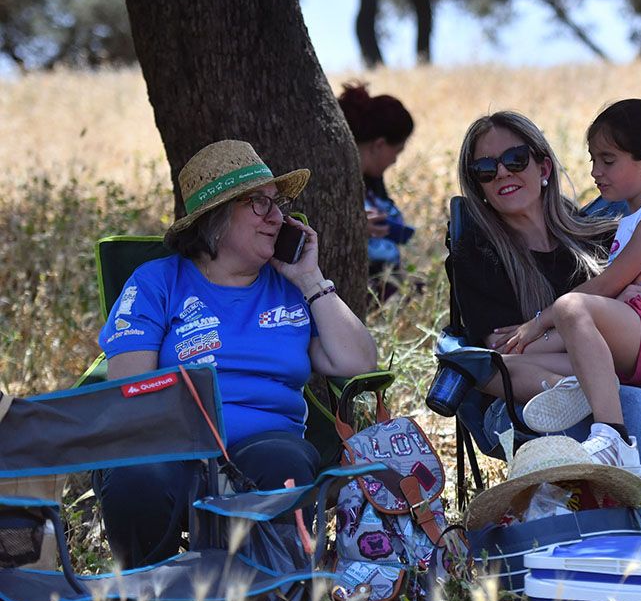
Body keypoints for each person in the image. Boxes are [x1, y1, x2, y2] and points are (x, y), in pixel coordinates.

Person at [95, 139, 379, 569]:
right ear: (216, 218)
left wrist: (311, 278)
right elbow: (129, 388)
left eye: (278, 204)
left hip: (266, 445)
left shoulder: (290, 289)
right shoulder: (157, 282)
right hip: (172, 445)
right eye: (259, 203)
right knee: (137, 476)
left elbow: (358, 363)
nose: (278, 216)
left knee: (281, 462)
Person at [452, 111, 641, 488]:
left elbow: (633, 303)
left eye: (515, 160)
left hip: (621, 379)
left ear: (543, 166)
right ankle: (621, 536)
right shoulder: (478, 254)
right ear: (477, 183)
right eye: (484, 168)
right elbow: (500, 349)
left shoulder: (596, 235)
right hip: (532, 399)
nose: (502, 174)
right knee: (640, 406)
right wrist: (600, 323)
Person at [491, 99, 641, 477]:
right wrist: (522, 340)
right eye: (592, 160)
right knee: (501, 365)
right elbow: (624, 291)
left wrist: (539, 322)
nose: (594, 172)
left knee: (572, 308)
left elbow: (607, 285)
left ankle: (613, 437)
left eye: (607, 161)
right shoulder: (630, 219)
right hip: (637, 335)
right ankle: (570, 386)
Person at [337, 82, 416, 300]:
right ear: (379, 145)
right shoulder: (334, 180)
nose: (394, 161)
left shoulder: (373, 181)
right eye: (396, 152)